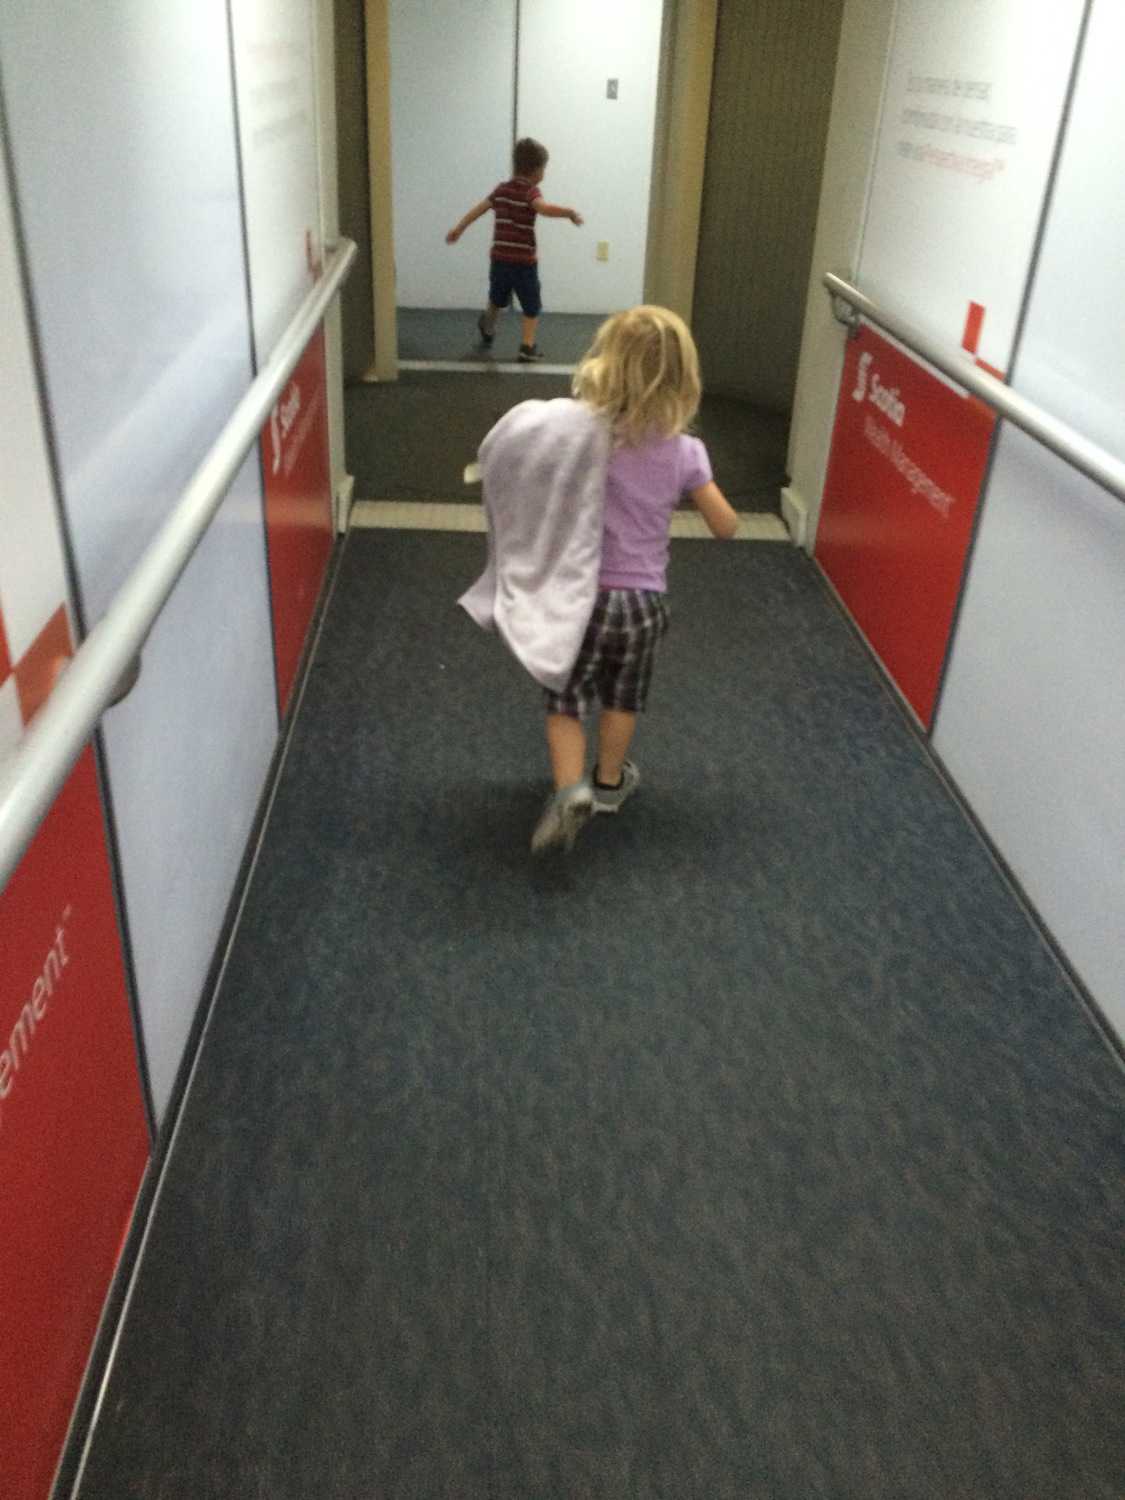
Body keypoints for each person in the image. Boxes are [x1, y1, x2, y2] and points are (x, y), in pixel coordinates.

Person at [530, 305, 739, 853]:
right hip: (644, 605)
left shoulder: (585, 437)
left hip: (582, 599)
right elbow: (725, 526)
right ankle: (607, 782)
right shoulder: (686, 451)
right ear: (684, 377)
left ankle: (568, 789)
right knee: (623, 697)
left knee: (566, 699)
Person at [445, 137, 583, 363]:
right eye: (544, 168)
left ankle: (488, 325)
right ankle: (526, 346)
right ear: (536, 170)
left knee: (497, 298)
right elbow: (544, 209)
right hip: (524, 261)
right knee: (531, 303)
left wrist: (459, 229)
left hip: (500, 258)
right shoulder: (531, 192)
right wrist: (568, 213)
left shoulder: (501, 190)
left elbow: (478, 210)